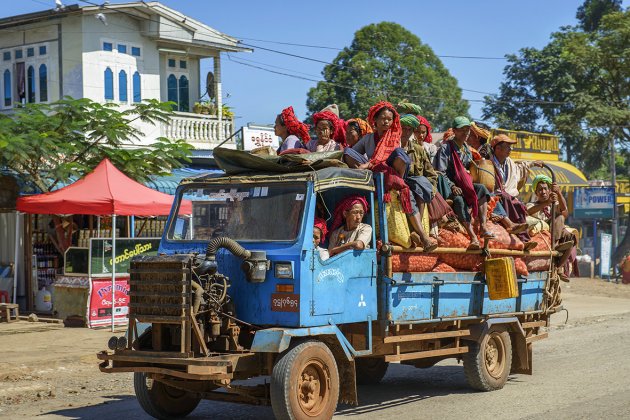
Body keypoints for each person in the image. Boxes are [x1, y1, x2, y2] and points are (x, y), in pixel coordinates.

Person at [434, 116, 494, 249]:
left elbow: (466, 169)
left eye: (467, 130)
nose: (465, 133)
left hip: (461, 186)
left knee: (482, 189)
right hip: (448, 188)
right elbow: (440, 172)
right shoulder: (446, 148)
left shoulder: (466, 149)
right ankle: (472, 237)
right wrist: (453, 185)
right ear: (454, 131)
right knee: (459, 201)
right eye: (462, 130)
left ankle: (483, 226)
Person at [490, 134, 544, 250]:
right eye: (507, 147)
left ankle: (524, 240)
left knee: (519, 205)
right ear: (498, 149)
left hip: (508, 197)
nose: (511, 149)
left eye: (511, 147)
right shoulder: (488, 163)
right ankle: (512, 227)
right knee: (506, 198)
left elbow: (520, 168)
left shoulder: (509, 163)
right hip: (494, 198)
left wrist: (533, 163)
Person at [343, 101, 401, 169]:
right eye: (383, 118)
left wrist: (368, 165)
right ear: (375, 119)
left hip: (387, 170)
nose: (386, 122)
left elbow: (392, 160)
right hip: (369, 170)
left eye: (389, 119)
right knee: (347, 151)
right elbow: (352, 152)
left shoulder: (395, 139)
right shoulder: (368, 138)